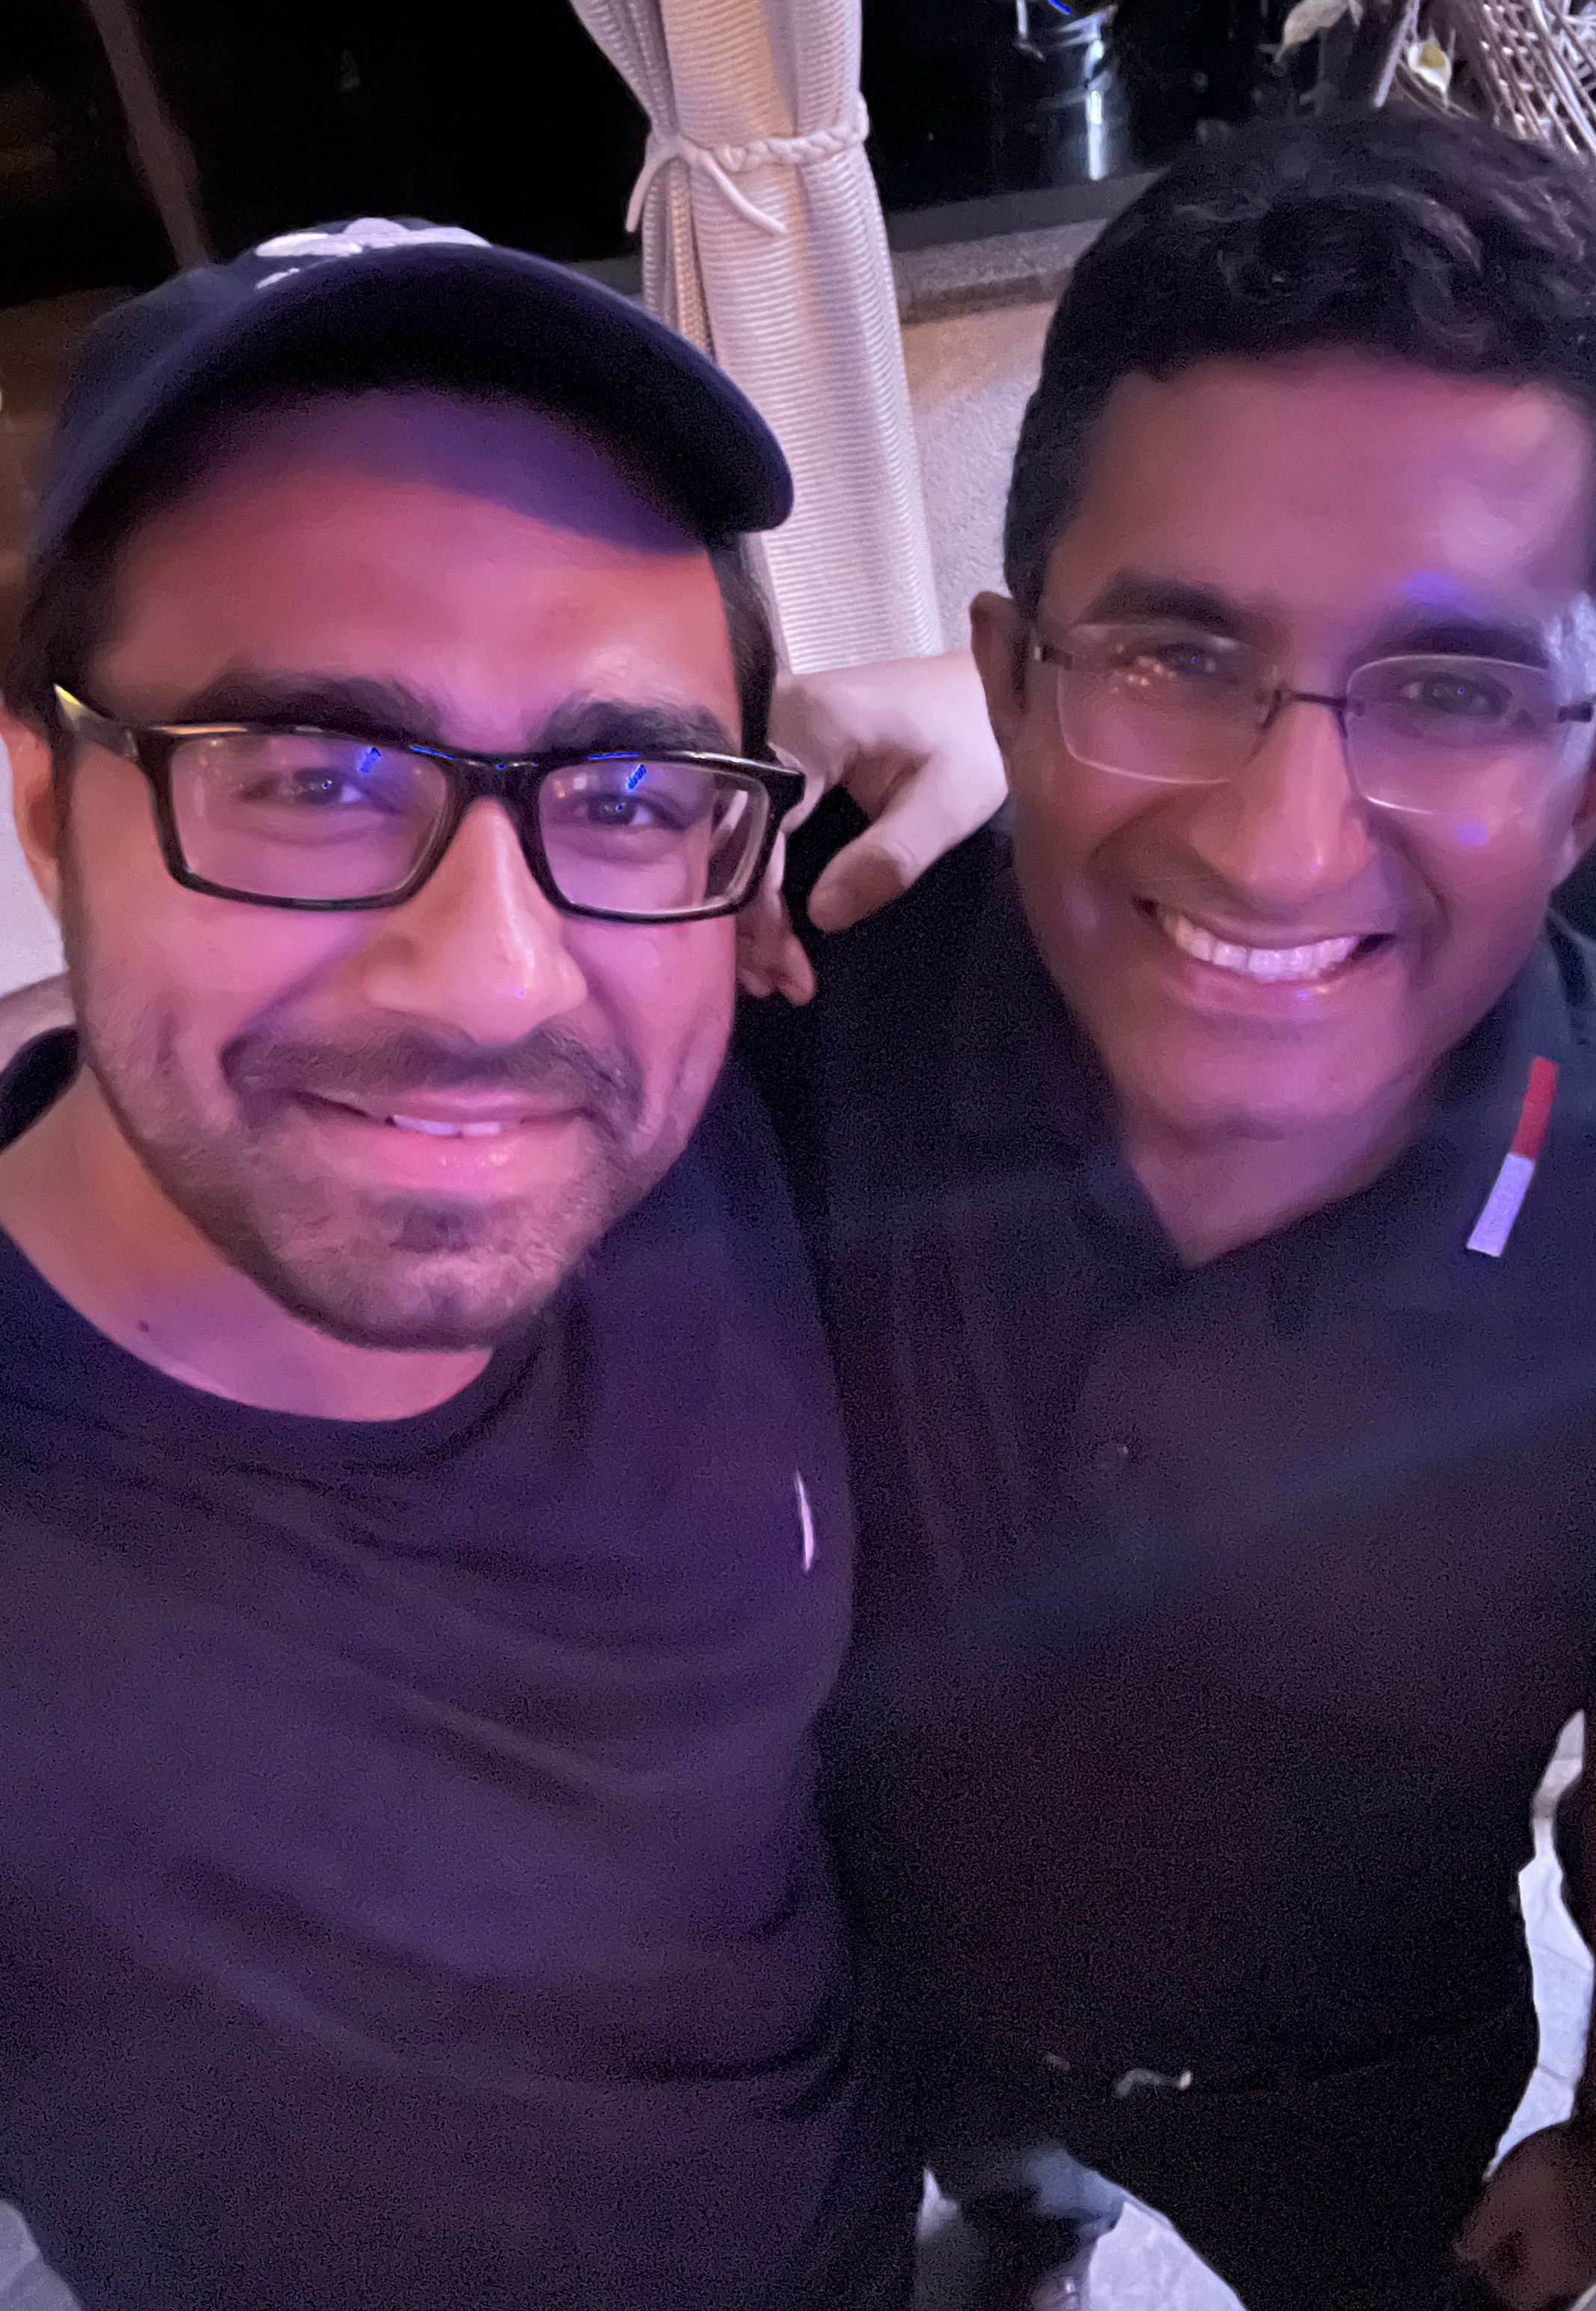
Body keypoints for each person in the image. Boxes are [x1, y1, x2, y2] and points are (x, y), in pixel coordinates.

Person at [738, 112, 1596, 2311]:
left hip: (1348, 2086)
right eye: (1171, 656)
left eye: (1452, 690)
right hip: (869, 1970)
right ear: (1005, 676)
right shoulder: (816, 978)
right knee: (994, 2205)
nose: (1283, 845)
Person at [0, 216, 941, 2311]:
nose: (493, 976)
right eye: (314, 778)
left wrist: (1024, 735)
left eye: (618, 793)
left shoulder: (738, 1110)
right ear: (48, 807)